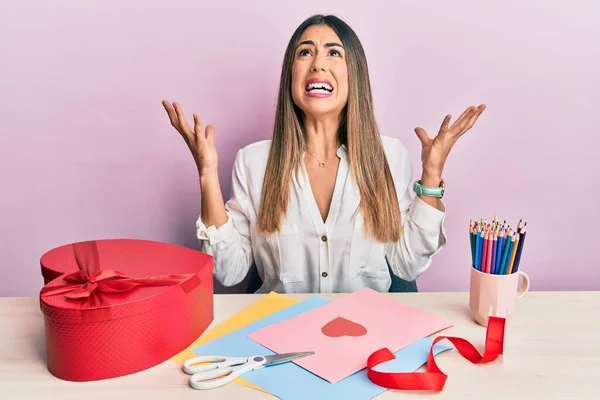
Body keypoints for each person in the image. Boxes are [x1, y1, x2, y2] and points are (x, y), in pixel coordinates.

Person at [161, 14, 485, 294]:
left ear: (353, 74)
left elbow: (408, 264)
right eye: (305, 53)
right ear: (292, 75)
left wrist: (431, 175)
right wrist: (206, 176)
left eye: (333, 53)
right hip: (280, 338)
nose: (318, 63)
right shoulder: (253, 163)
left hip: (367, 336)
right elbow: (231, 270)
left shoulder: (390, 156)